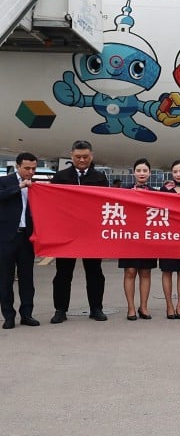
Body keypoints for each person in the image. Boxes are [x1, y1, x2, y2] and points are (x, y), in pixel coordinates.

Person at [50, 139, 109, 323]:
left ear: (91, 156)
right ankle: (60, 310)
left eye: (85, 157)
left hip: (91, 233)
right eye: (78, 157)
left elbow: (105, 204)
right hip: (66, 233)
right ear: (71, 156)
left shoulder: (99, 178)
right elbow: (51, 202)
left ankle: (96, 308)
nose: (82, 160)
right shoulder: (60, 177)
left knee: (95, 272)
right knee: (63, 273)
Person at [0, 152, 40, 329]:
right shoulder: (5, 181)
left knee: (27, 278)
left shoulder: (36, 185)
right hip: (7, 237)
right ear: (17, 166)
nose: (30, 172)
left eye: (33, 168)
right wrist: (19, 186)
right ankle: (9, 316)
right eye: (27, 168)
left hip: (26, 237)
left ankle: (27, 314)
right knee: (5, 279)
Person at [118, 158, 157, 321]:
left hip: (148, 237)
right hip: (129, 236)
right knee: (130, 271)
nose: (142, 173)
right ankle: (131, 308)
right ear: (134, 172)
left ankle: (144, 307)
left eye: (145, 171)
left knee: (145, 272)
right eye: (139, 170)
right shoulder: (124, 190)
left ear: (149, 173)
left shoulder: (155, 192)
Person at [159, 159, 180, 319]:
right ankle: (169, 305)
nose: (178, 174)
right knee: (167, 271)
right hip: (167, 237)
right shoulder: (163, 190)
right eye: (175, 172)